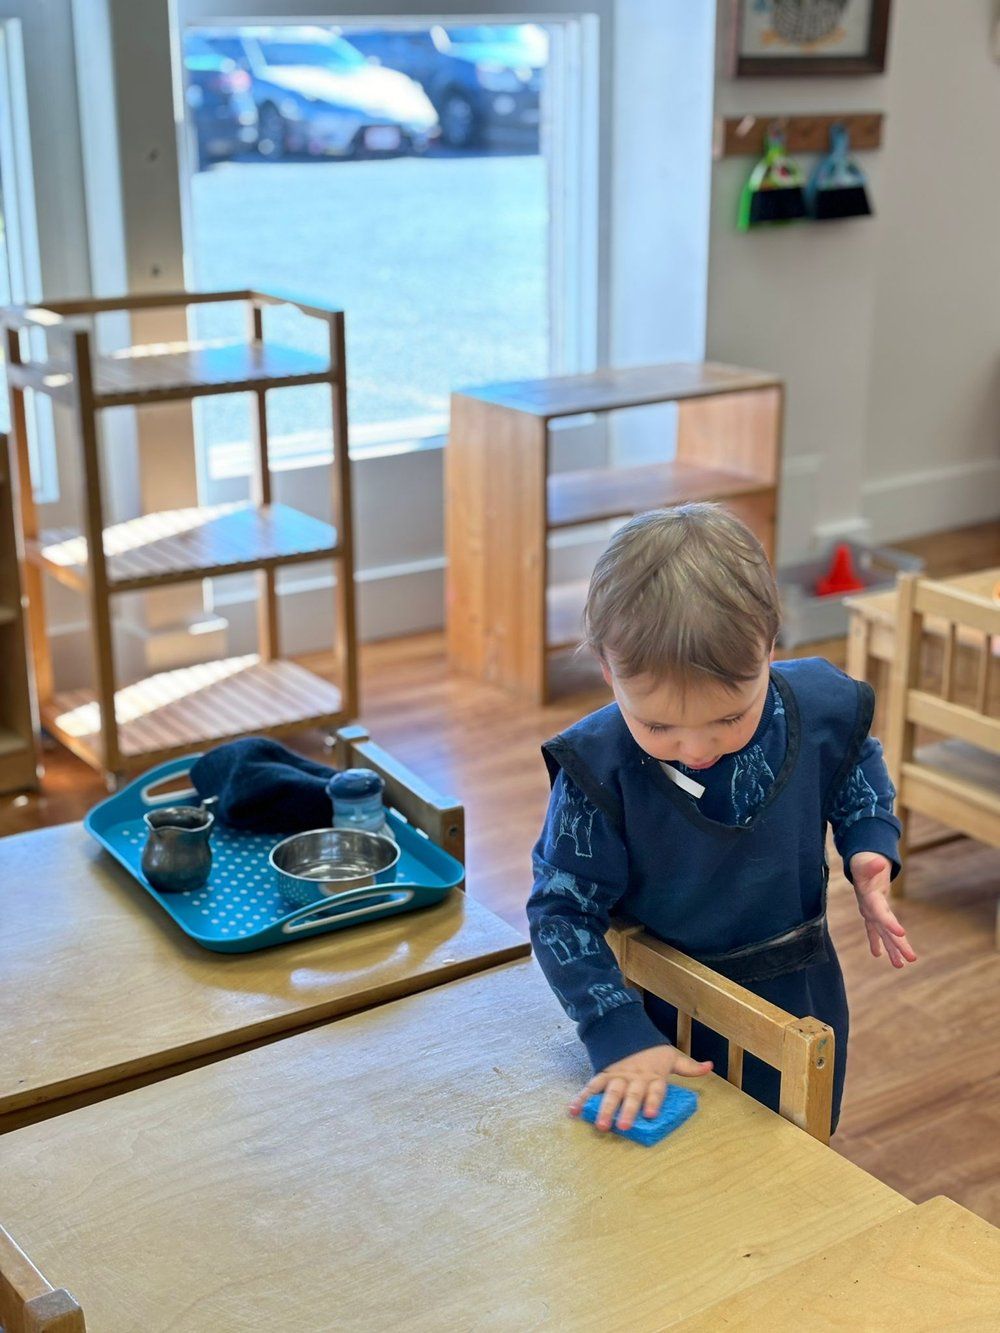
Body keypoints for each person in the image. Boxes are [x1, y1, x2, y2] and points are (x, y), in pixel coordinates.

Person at [528, 504, 916, 1135]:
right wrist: (617, 1033)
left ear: (768, 648)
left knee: (791, 1149)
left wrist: (868, 843)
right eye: (658, 726)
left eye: (729, 718)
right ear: (608, 670)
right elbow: (561, 913)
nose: (697, 749)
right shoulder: (597, 770)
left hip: (797, 994)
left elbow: (852, 765)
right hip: (657, 1013)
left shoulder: (816, 707)